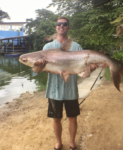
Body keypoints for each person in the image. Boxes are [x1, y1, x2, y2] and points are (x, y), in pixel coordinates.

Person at [43, 16, 82, 150]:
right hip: (54, 91)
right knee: (56, 119)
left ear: (68, 27)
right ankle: (58, 142)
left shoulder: (76, 46)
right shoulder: (48, 47)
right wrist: (40, 66)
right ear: (56, 27)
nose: (61, 26)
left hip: (71, 90)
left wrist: (90, 67)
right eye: (59, 24)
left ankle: (72, 143)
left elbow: (84, 65)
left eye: (64, 24)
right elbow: (38, 69)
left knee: (72, 118)